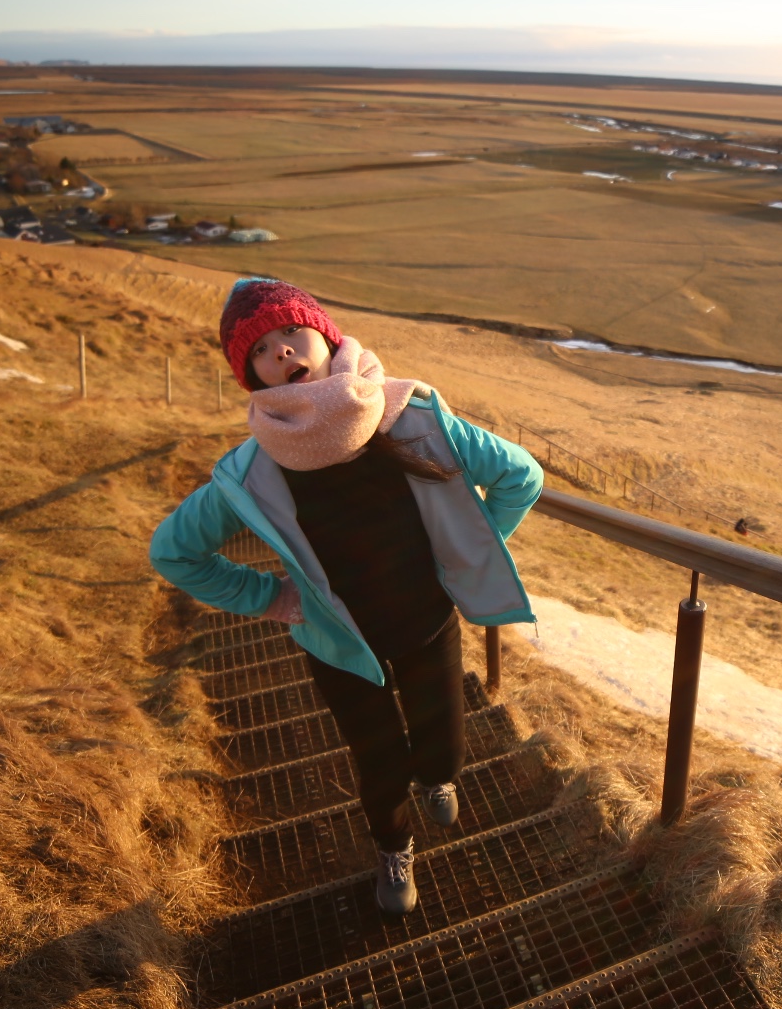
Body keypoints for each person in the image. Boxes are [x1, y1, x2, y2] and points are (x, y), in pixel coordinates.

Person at [149, 280, 542, 916]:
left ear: (325, 337)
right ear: (252, 377)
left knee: (445, 745)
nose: (280, 352)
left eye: (290, 334)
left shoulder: (411, 413)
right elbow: (174, 552)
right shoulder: (252, 468)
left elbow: (520, 476)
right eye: (260, 350)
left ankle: (437, 776)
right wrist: (275, 599)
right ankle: (393, 849)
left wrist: (465, 552)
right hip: (337, 644)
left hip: (428, 619)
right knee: (377, 759)